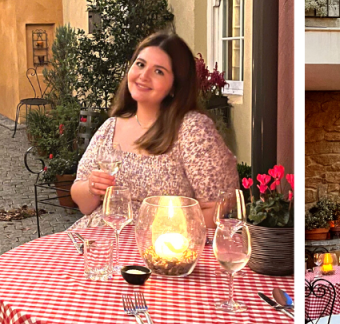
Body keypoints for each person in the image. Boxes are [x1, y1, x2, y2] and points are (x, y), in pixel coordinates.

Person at [70, 32, 238, 232]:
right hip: (100, 242)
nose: (143, 76)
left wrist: (161, 234)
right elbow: (83, 204)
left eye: (159, 71)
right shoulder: (110, 127)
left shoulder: (193, 130)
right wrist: (92, 187)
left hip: (164, 249)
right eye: (140, 64)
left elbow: (219, 206)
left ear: (175, 86)